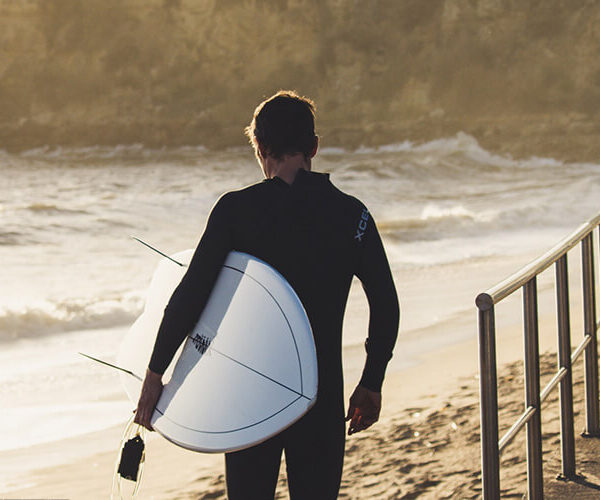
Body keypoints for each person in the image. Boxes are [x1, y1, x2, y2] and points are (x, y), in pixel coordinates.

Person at [134, 90, 399, 499]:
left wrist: (156, 374)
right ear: (314, 146)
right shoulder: (354, 215)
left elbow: (192, 295)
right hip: (321, 395)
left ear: (259, 146)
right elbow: (385, 302)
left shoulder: (236, 211)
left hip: (250, 395)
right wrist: (372, 381)